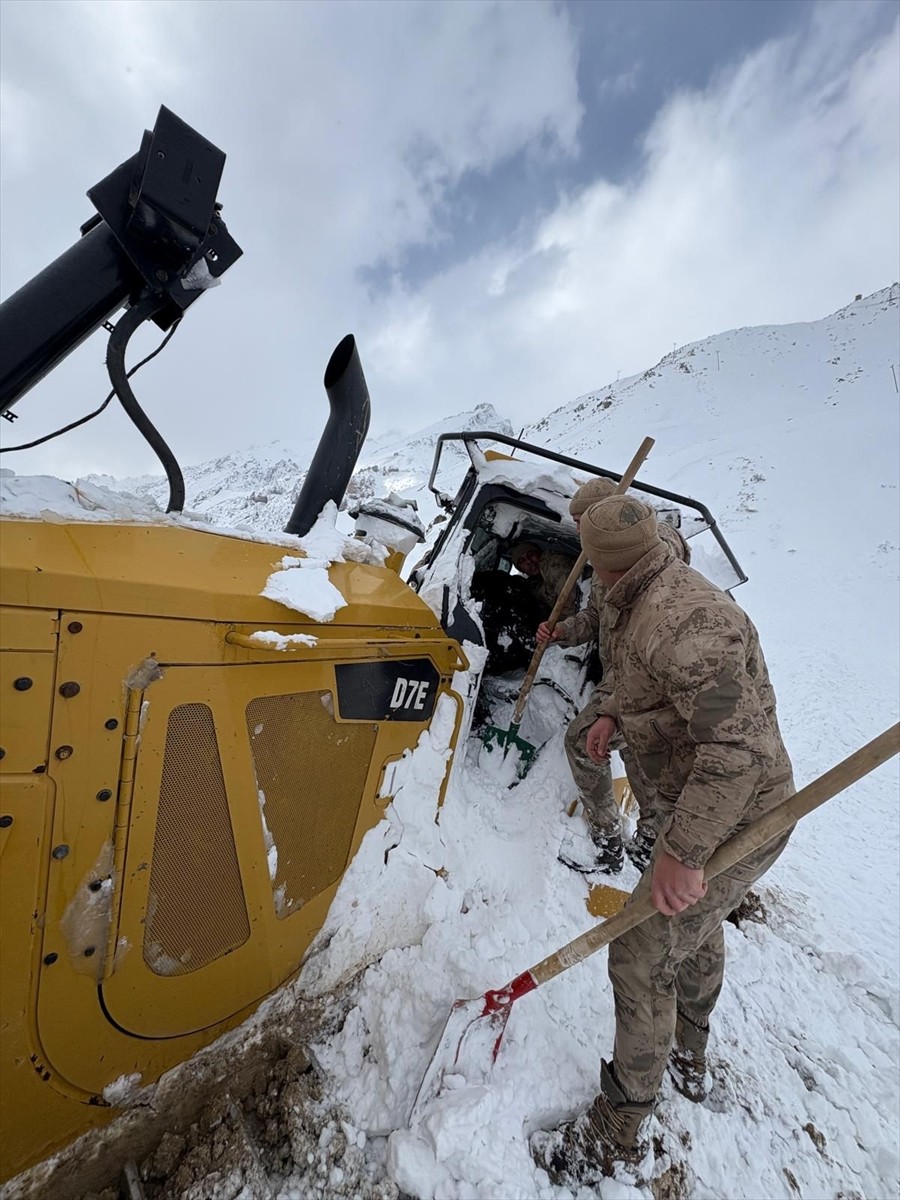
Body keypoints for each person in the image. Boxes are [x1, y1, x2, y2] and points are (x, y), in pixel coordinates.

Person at [531, 495, 795, 1186]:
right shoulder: (631, 584)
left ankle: (617, 1133)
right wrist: (614, 712)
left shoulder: (690, 624)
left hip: (741, 816)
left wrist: (684, 854)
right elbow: (634, 666)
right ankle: (689, 1055)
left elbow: (736, 750)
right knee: (695, 934)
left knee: (643, 948)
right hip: (693, 799)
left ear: (606, 560)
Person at [538, 478, 692, 874]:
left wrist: (614, 706)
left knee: (581, 742)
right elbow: (596, 617)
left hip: (645, 679)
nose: (577, 531)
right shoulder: (604, 556)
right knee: (640, 760)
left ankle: (606, 842)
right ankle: (650, 842)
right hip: (621, 673)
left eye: (580, 520)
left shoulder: (654, 549)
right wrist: (563, 632)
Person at [508, 540, 579, 621]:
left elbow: (571, 604)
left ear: (539, 553)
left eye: (531, 554)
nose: (528, 561)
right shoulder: (536, 582)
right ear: (521, 570)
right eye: (522, 561)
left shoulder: (554, 565)